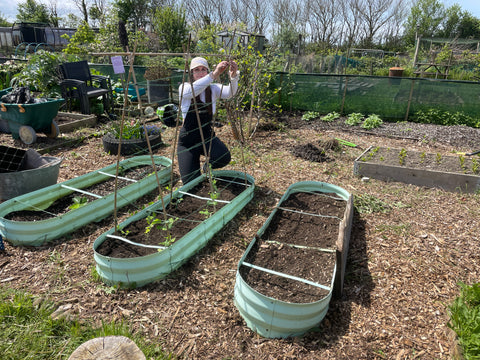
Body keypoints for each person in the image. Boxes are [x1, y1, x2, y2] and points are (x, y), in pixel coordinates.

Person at [177, 57, 239, 184]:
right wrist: (213, 75)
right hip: (188, 142)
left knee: (224, 157)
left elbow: (230, 93)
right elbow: (191, 92)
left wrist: (233, 78)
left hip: (206, 137)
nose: (200, 72)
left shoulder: (213, 89)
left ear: (207, 71)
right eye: (196, 70)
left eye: (203, 69)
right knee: (190, 184)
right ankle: (193, 170)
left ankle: (206, 167)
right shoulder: (184, 87)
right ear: (191, 73)